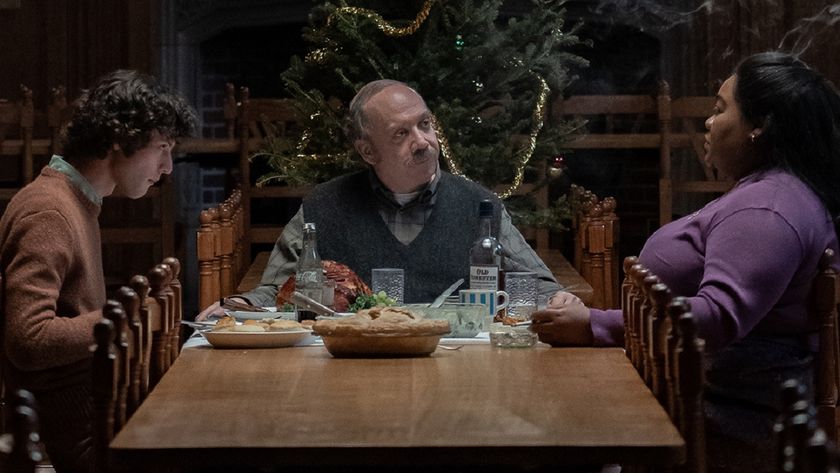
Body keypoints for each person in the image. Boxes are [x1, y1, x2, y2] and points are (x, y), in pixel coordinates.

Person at [531, 51, 840, 473]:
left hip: (723, 426)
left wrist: (595, 324)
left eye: (720, 109)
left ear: (760, 126)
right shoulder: (764, 193)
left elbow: (716, 317)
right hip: (694, 404)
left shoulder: (767, 208)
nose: (709, 123)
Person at [198, 79, 562, 318]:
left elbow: (539, 285)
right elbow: (276, 290)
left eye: (424, 124)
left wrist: (559, 302)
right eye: (401, 133)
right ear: (368, 151)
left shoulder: (478, 205)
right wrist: (239, 306)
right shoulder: (325, 206)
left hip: (456, 367)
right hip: (352, 371)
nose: (422, 141)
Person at [0, 69, 196, 473]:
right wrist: (127, 316)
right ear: (120, 140)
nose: (168, 166)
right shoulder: (48, 211)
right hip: (77, 437)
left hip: (96, 413)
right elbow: (27, 338)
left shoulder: (76, 202)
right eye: (162, 147)